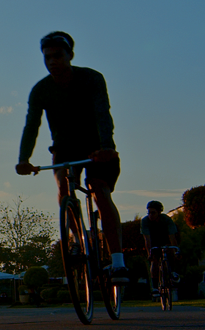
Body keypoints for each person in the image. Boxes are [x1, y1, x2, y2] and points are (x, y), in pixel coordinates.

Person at [15, 31, 130, 284]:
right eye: (47, 57)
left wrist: (106, 147)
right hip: (64, 148)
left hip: (96, 147)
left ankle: (118, 262)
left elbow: (102, 113)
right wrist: (24, 159)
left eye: (57, 56)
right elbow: (31, 125)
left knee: (99, 190)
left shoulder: (91, 78)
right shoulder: (41, 90)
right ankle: (77, 238)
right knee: (63, 186)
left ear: (71, 55)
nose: (52, 62)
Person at [141, 200, 179, 288]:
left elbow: (172, 237)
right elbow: (147, 240)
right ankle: (155, 286)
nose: (150, 215)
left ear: (159, 212)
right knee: (154, 261)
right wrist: (149, 253)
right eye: (149, 212)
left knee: (171, 253)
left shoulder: (167, 220)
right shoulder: (145, 221)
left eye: (153, 213)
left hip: (166, 239)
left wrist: (175, 251)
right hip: (154, 241)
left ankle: (173, 272)